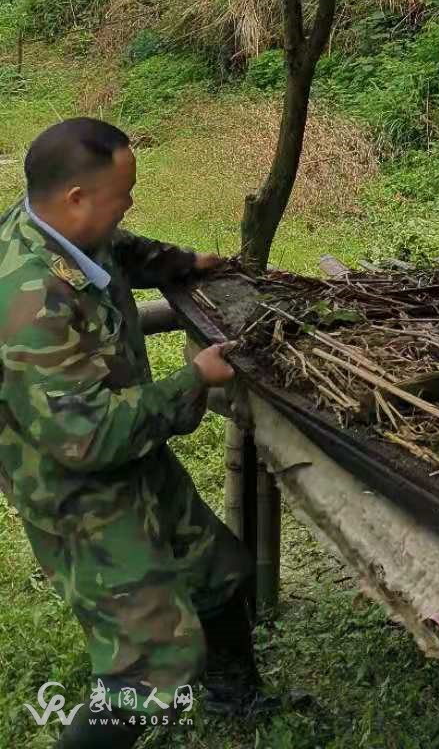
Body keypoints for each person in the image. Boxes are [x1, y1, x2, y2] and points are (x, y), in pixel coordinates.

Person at [0, 118, 264, 746]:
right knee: (153, 675)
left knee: (222, 572)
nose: (130, 204)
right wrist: (191, 381)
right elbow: (85, 438)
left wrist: (185, 263)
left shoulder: (64, 225)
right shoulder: (30, 299)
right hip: (79, 491)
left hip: (131, 458)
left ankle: (236, 702)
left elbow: (122, 246)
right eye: (123, 194)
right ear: (76, 199)